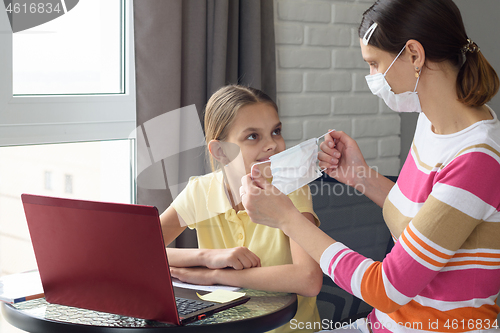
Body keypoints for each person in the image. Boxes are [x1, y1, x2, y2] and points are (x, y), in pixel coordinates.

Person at [240, 0, 500, 332]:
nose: (372, 77)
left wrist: (288, 219)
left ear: (414, 55)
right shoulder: (434, 123)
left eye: (375, 64)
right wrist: (359, 176)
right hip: (386, 324)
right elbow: (422, 221)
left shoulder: (477, 159)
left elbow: (388, 289)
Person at [159, 84, 323, 333]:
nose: (272, 145)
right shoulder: (200, 192)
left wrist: (215, 275)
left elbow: (308, 279)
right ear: (221, 151)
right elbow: (139, 252)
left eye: (276, 131)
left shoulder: (291, 189)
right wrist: (208, 258)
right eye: (253, 136)